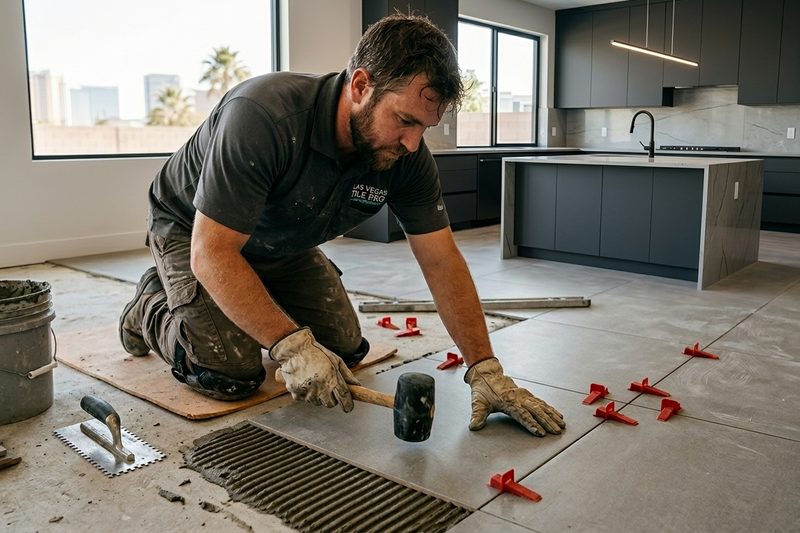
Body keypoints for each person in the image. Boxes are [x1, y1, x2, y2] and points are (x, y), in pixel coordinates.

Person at [119, 13, 565, 437]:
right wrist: (290, 347)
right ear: (360, 85)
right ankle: (149, 305)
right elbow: (212, 252)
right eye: (405, 120)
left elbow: (442, 261)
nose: (413, 143)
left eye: (424, 127)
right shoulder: (264, 117)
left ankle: (248, 296)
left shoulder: (407, 158)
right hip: (192, 230)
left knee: (343, 352)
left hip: (282, 242)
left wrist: (484, 367)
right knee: (228, 371)